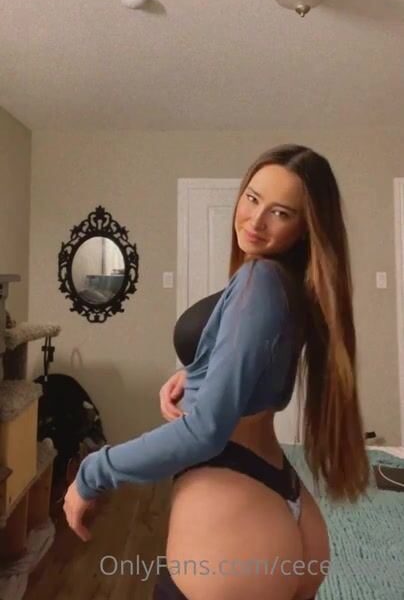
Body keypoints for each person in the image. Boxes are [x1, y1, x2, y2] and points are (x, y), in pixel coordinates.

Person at [63, 144, 370, 600]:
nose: (255, 220)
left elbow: (206, 431)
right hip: (278, 493)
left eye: (280, 213)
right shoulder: (290, 286)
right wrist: (198, 373)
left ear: (306, 227)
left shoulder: (260, 281)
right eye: (252, 198)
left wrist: (93, 471)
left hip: (232, 503)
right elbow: (259, 369)